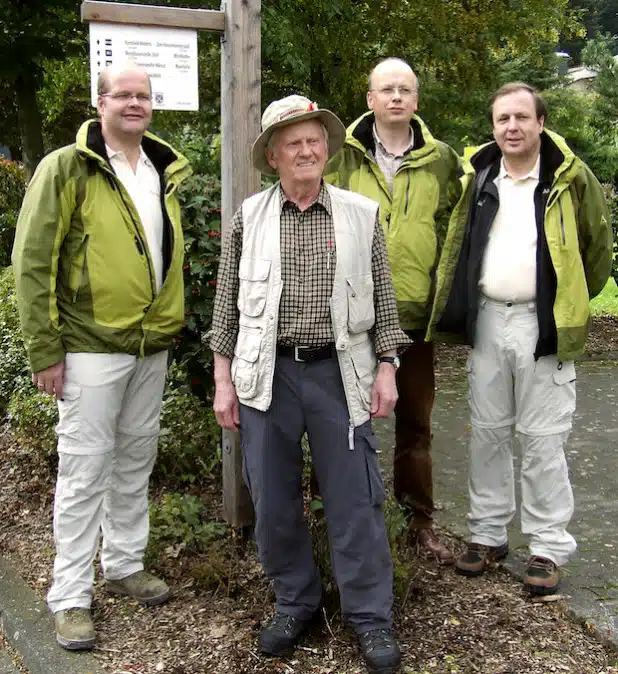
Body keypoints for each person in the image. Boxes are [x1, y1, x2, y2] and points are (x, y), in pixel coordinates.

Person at [209, 94, 409, 674]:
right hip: (266, 374)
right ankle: (295, 601)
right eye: (292, 141)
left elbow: (384, 300)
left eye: (315, 139)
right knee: (271, 500)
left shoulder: (360, 213)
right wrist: (224, 381)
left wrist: (388, 365)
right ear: (272, 155)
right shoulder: (250, 215)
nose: (306, 149)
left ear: (328, 148)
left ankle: (370, 618)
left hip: (338, 373)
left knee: (356, 500)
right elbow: (226, 308)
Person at [12, 65, 191, 649]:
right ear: (102, 101)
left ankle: (123, 563)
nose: (135, 103)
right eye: (124, 95)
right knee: (85, 471)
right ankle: (69, 596)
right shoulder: (66, 166)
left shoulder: (160, 169)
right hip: (88, 345)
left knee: (135, 459)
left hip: (149, 343)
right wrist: (45, 348)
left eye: (144, 95)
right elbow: (33, 261)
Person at [428, 82, 613, 595]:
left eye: (521, 118)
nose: (511, 127)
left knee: (543, 440)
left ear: (540, 123)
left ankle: (547, 547)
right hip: (488, 319)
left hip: (543, 324)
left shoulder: (568, 181)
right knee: (487, 433)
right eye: (502, 119)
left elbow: (597, 251)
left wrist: (570, 295)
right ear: (493, 126)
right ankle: (487, 536)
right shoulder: (478, 177)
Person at [324, 58, 461, 565]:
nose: (396, 97)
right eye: (387, 89)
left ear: (417, 101)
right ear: (370, 99)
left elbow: (454, 230)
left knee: (415, 425)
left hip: (415, 315)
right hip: (350, 316)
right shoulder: (342, 157)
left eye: (405, 89)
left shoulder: (443, 161)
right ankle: (344, 521)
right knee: (342, 423)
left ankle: (418, 523)